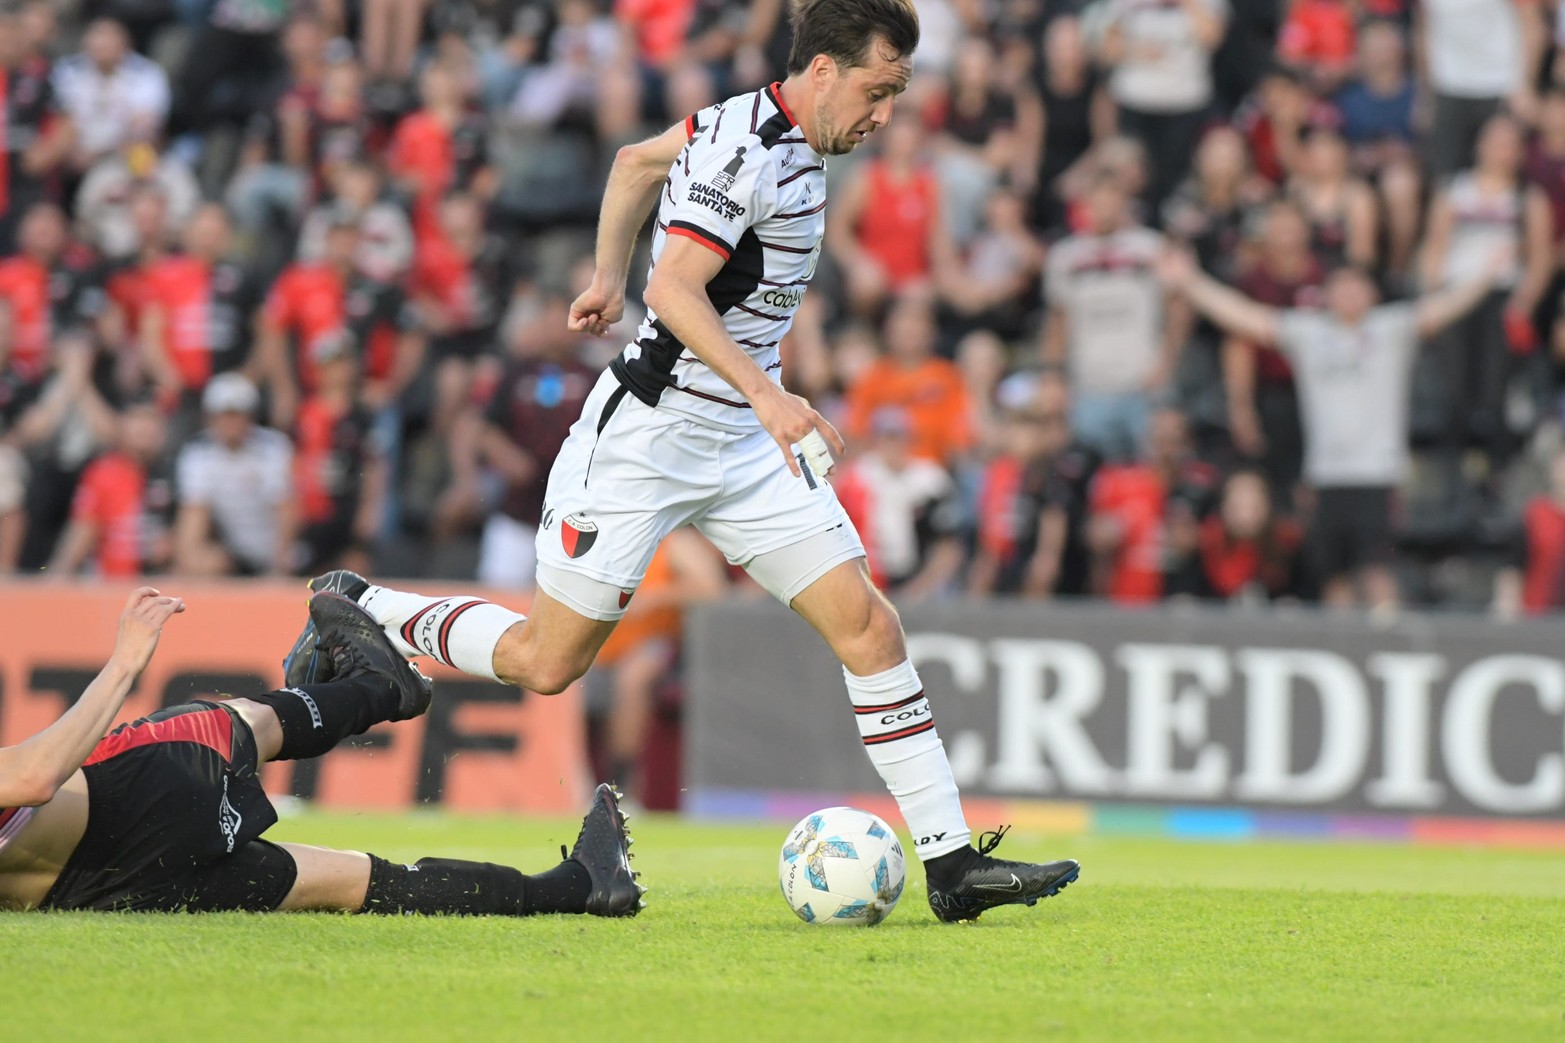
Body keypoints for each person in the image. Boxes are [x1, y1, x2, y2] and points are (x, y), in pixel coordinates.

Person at [285, 0, 1079, 924]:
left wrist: (598, 278)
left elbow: (635, 164)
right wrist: (760, 386)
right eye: (876, 90)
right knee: (547, 662)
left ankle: (949, 865)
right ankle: (362, 604)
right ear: (821, 71)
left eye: (897, 94)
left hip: (740, 445)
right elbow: (675, 286)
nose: (884, 115)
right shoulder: (748, 153)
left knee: (869, 628)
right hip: (648, 439)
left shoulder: (752, 130)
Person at [0, 587, 641, 917]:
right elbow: (34, 777)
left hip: (99, 890)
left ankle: (578, 888)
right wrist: (123, 663)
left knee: (344, 880)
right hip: (133, 800)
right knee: (225, 723)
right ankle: (376, 687)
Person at [1158, 247, 1505, 609]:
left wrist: (1485, 276)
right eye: (1340, 287)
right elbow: (1245, 317)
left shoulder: (1391, 328)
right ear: (1326, 295)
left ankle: (1385, 646)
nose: (1349, 294)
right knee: (1332, 579)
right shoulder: (1309, 333)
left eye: (1357, 286)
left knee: (1378, 574)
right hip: (1326, 477)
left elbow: (1442, 309)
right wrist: (1191, 281)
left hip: (1378, 475)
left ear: (1372, 294)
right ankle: (1342, 646)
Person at [172, 374, 294, 577]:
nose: (230, 423)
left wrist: (278, 564)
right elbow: (194, 516)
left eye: (236, 415)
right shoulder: (198, 454)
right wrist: (188, 557)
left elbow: (286, 512)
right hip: (234, 553)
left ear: (250, 416)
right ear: (210, 418)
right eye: (224, 415)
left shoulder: (272, 449)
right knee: (200, 563)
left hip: (277, 549)